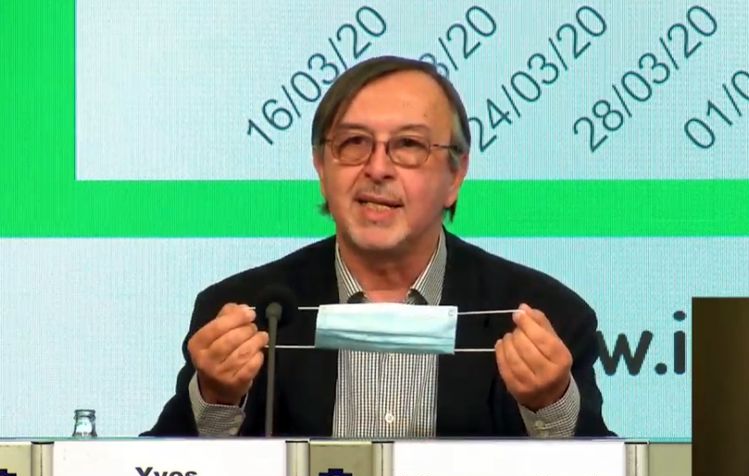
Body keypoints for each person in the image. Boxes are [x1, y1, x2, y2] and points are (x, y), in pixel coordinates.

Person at [146, 56, 612, 439]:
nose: (377, 168)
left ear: (455, 175)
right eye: (354, 143)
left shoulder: (546, 315)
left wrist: (550, 404)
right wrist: (217, 397)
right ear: (321, 167)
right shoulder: (243, 311)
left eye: (408, 145)